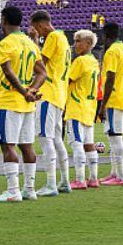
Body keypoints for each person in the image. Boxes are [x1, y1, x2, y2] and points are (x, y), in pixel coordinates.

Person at [0, 6, 46, 203]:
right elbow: (42, 73)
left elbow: (7, 71)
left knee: (8, 145)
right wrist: (32, 90)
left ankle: (13, 190)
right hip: (27, 105)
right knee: (27, 146)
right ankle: (30, 189)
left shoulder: (5, 44)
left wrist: (24, 91)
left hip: (10, 101)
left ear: (4, 20)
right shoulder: (30, 44)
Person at [31, 11, 71, 196]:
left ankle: (51, 184)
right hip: (60, 94)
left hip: (48, 93)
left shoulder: (53, 37)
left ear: (40, 25)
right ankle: (64, 181)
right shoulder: (63, 38)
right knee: (56, 139)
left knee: (45, 138)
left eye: (36, 28)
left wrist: (33, 41)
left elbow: (38, 63)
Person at [96, 22, 123, 186]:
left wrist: (103, 104)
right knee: (113, 136)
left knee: (116, 136)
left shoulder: (112, 52)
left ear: (105, 35)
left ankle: (120, 176)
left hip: (115, 98)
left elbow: (110, 78)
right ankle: (114, 173)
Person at [65, 30, 100, 189]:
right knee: (89, 144)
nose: (75, 44)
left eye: (78, 41)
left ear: (88, 43)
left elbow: (67, 80)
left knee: (76, 143)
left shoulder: (80, 61)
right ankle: (93, 178)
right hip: (89, 107)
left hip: (76, 106)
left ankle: (79, 179)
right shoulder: (94, 61)